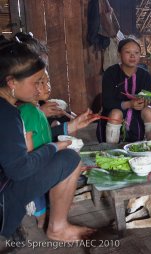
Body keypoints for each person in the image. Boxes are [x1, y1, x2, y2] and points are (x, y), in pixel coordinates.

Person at [0, 39, 96, 240]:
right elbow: (19, 169)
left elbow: (24, 142)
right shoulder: (8, 114)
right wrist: (54, 147)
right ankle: (57, 228)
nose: (39, 89)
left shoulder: (9, 106)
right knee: (70, 158)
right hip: (3, 200)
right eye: (36, 82)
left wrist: (71, 126)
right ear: (12, 82)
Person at [97, 37, 151, 143]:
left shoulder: (145, 75)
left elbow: (148, 97)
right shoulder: (110, 73)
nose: (132, 56)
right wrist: (129, 104)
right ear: (119, 54)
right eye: (128, 52)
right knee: (116, 113)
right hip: (113, 114)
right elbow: (107, 102)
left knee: (149, 111)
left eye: (136, 52)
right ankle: (111, 150)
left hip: (137, 115)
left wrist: (145, 101)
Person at [17, 71, 53, 229]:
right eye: (42, 83)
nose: (48, 86)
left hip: (42, 159)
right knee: (37, 191)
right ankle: (41, 221)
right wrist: (32, 164)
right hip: (35, 163)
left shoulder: (36, 109)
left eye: (48, 81)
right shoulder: (28, 110)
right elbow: (28, 139)